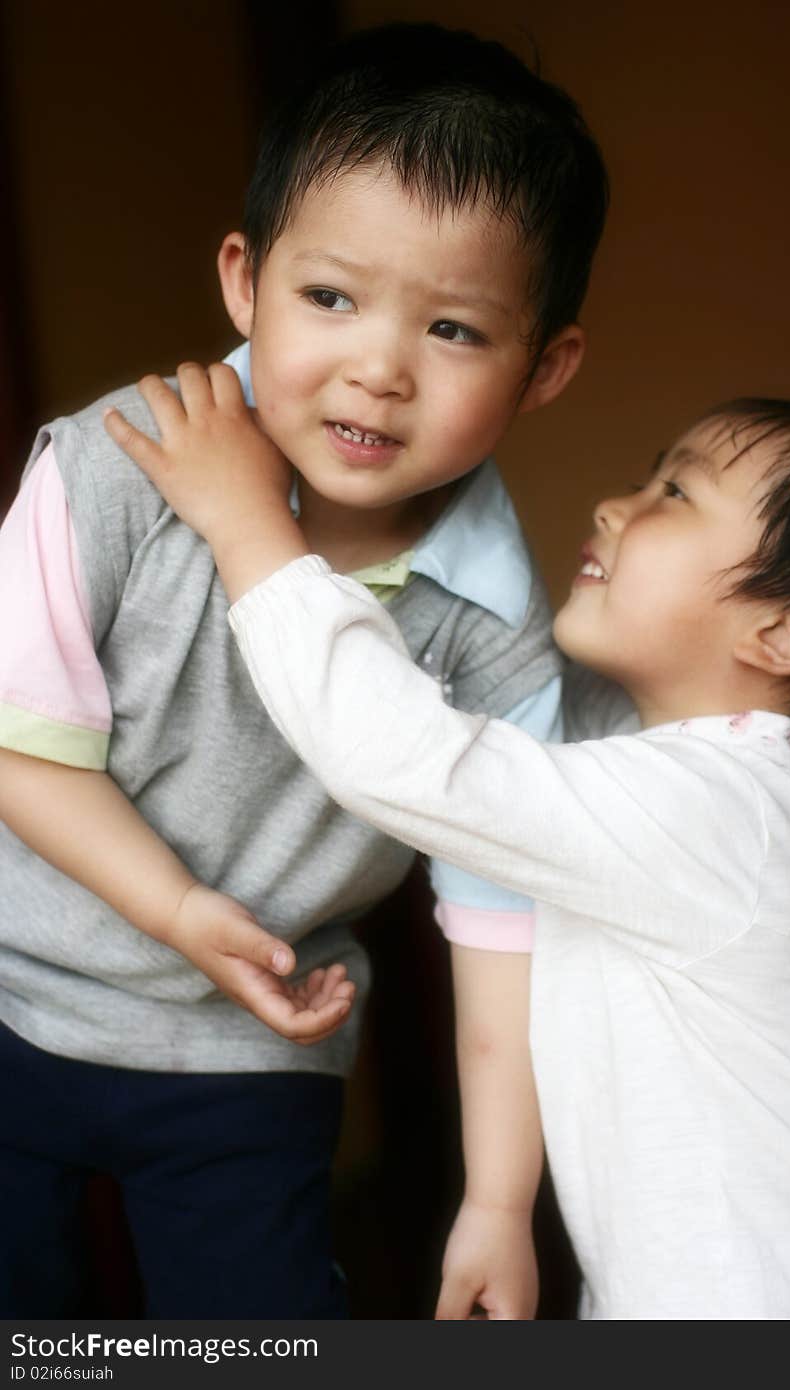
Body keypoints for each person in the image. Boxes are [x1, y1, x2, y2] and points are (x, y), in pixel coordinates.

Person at [0, 24, 607, 1317]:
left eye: (451, 327)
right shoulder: (107, 468)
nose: (377, 369)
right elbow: (15, 743)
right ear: (245, 279)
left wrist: (498, 1198)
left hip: (252, 1052)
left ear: (546, 366)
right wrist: (170, 907)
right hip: (11, 989)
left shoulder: (492, 632)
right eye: (329, 297)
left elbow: (504, 921)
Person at [108, 374, 790, 1319]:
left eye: (676, 492)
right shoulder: (730, 792)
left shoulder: (728, 817)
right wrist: (499, 1207)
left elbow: (409, 759)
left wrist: (247, 525)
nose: (614, 502)